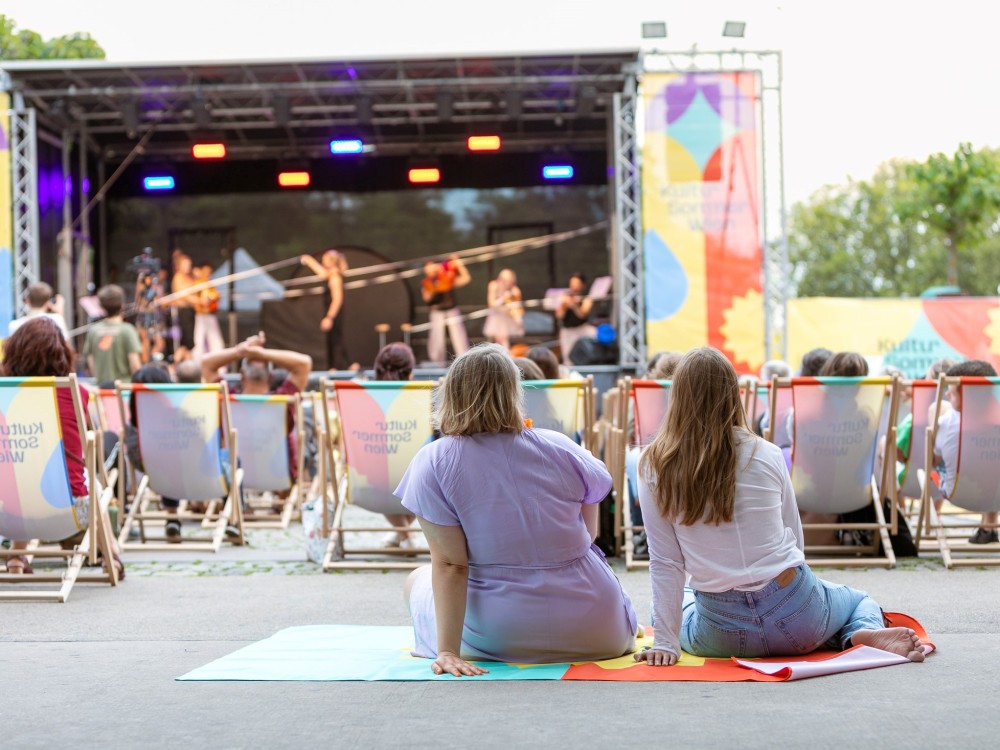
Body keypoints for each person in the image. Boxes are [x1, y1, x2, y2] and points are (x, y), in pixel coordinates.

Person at [635, 347, 924, 666]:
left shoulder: (654, 464)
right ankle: (856, 632)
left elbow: (665, 562)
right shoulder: (768, 453)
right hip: (797, 613)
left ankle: (831, 632)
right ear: (734, 394)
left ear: (677, 397)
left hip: (719, 631)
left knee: (672, 602)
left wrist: (665, 641)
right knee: (859, 601)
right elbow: (795, 541)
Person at [396, 344, 637, 676]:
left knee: (416, 579)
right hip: (600, 628)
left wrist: (448, 651)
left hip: (500, 633)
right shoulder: (562, 446)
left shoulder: (434, 461)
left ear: (450, 394)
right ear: (514, 392)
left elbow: (452, 565)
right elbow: (589, 534)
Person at [1, 317, 124, 578]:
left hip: (6, 514)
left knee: (21, 464)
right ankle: (110, 554)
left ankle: (15, 554)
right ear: (61, 355)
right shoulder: (73, 393)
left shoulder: (3, 395)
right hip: (65, 513)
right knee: (95, 484)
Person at [201, 331, 312, 487]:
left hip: (233, 474)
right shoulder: (283, 400)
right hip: (280, 477)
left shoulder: (226, 398)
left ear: (241, 375)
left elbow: (206, 364)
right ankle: (282, 502)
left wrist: (240, 351)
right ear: (270, 377)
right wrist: (263, 354)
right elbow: (304, 364)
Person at [933, 359, 999, 544]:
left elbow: (934, 459)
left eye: (951, 391)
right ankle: (989, 527)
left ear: (966, 395)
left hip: (960, 495)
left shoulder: (948, 422)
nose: (946, 393)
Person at [371, 342, 419, 547]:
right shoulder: (422, 399)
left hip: (372, 485)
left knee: (376, 472)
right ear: (410, 372)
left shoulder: (362, 400)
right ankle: (406, 535)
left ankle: (401, 532)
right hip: (417, 483)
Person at [82, 284, 143, 388]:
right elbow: (135, 366)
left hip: (102, 391)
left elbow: (91, 363)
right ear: (122, 305)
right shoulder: (128, 330)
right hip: (124, 391)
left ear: (101, 306)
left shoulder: (93, 331)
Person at [301, 250, 349, 370]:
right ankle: (336, 367)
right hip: (331, 314)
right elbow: (321, 273)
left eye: (324, 260)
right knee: (333, 340)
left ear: (332, 262)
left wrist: (329, 317)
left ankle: (338, 367)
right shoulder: (330, 275)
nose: (322, 262)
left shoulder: (335, 277)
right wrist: (309, 260)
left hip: (333, 314)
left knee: (335, 341)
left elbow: (337, 299)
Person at [421, 257, 470, 365]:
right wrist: (433, 286)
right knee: (436, 337)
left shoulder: (447, 277)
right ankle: (437, 362)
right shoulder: (428, 282)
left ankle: (464, 359)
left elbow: (465, 278)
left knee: (458, 335)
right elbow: (426, 298)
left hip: (451, 308)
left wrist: (459, 265)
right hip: (436, 311)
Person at [555, 273, 596, 366]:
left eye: (576, 284)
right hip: (568, 330)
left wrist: (574, 305)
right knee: (568, 358)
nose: (574, 287)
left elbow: (582, 314)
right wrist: (564, 305)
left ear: (582, 285)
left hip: (582, 329)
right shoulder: (564, 296)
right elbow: (559, 315)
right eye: (572, 284)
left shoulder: (586, 298)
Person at [483, 268, 524, 350]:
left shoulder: (514, 290)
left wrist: (514, 310)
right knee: (499, 340)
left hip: (507, 317)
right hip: (496, 316)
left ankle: (506, 356)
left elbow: (519, 308)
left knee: (504, 339)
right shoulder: (493, 285)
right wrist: (503, 298)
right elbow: (491, 304)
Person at [191, 264, 225, 359]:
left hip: (210, 315)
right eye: (205, 271)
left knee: (215, 341)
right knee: (199, 341)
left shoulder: (209, 284)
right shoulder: (197, 284)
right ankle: (197, 362)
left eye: (209, 272)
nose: (207, 274)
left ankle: (218, 362)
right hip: (200, 315)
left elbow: (216, 296)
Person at [170, 250, 197, 363]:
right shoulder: (178, 277)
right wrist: (197, 300)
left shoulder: (188, 278)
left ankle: (187, 363)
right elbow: (184, 295)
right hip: (183, 312)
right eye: (186, 265)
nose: (188, 267)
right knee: (186, 341)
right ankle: (177, 363)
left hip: (190, 311)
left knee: (189, 343)